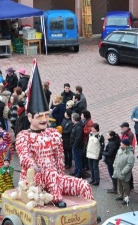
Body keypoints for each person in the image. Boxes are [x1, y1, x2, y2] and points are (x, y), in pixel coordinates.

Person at [15, 61, 93, 207]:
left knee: (84, 185)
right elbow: (24, 156)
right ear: (30, 117)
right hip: (34, 181)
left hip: (55, 178)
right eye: (40, 116)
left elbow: (59, 160)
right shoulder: (23, 136)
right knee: (51, 175)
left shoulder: (54, 134)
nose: (44, 119)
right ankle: (56, 199)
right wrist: (33, 165)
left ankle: (88, 211)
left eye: (46, 115)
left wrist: (60, 176)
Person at [113, 139, 135, 205]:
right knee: (119, 184)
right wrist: (114, 164)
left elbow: (130, 165)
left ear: (125, 145)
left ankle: (126, 198)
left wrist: (123, 171)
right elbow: (116, 158)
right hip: (118, 171)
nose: (120, 144)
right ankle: (121, 195)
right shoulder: (119, 150)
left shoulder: (130, 154)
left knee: (125, 186)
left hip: (124, 173)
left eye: (122, 143)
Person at [70, 113, 84, 178]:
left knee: (78, 159)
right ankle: (76, 171)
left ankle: (79, 172)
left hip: (77, 146)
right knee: (75, 159)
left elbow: (78, 138)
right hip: (75, 145)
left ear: (74, 119)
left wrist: (74, 145)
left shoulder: (78, 127)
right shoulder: (76, 126)